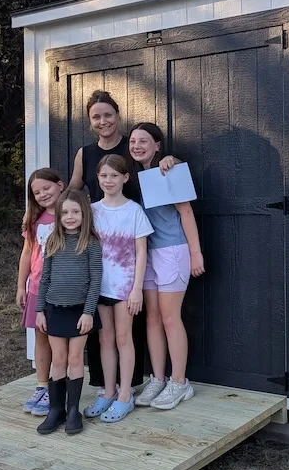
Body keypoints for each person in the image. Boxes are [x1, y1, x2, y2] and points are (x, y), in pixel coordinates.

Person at [67, 89, 175, 391]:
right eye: (96, 117)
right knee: (102, 330)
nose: (103, 121)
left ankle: (133, 384)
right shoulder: (84, 154)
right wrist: (45, 217)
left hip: (137, 242)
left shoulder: (133, 147)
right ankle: (105, 385)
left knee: (132, 322)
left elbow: (159, 159)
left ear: (117, 116)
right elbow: (73, 192)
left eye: (108, 115)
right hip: (100, 250)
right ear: (90, 121)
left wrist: (171, 159)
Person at [129, 123, 205, 410]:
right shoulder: (132, 176)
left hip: (172, 251)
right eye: (133, 141)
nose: (137, 145)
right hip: (146, 255)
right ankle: (158, 378)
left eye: (144, 141)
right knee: (152, 319)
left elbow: (186, 212)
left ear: (158, 145)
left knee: (171, 318)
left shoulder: (168, 170)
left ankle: (180, 382)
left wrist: (196, 254)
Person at [83, 155, 153, 423]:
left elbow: (141, 252)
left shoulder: (134, 211)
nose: (109, 180)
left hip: (124, 289)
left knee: (125, 340)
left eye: (114, 175)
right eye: (104, 176)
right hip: (98, 287)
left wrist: (137, 289)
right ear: (98, 179)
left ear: (125, 178)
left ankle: (125, 394)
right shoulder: (92, 210)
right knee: (105, 340)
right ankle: (108, 391)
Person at [34, 189, 102, 435]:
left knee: (75, 359)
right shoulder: (53, 241)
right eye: (65, 212)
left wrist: (88, 312)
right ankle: (56, 409)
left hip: (79, 312)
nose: (70, 217)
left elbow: (96, 281)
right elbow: (44, 279)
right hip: (54, 309)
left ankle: (73, 409)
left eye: (75, 212)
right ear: (59, 215)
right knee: (58, 359)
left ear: (84, 213)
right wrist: (40, 309)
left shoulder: (91, 243)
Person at [16, 168, 64, 417]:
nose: (43, 194)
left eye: (47, 188)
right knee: (41, 338)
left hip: (63, 290)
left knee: (59, 340)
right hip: (36, 288)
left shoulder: (71, 215)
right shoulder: (34, 220)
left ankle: (58, 388)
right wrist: (21, 286)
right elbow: (27, 253)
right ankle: (42, 386)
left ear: (60, 185)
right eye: (37, 192)